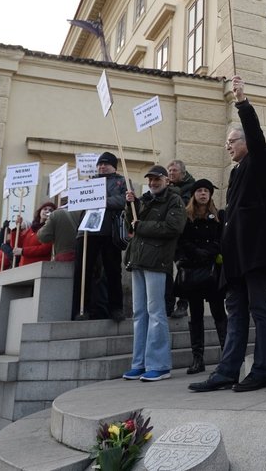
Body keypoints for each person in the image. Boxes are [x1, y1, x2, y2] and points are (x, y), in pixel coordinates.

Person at [189, 76, 266, 393]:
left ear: (246, 143)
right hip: (235, 258)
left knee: (261, 311)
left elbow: (257, 135)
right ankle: (227, 371)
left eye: (232, 141)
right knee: (236, 316)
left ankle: (261, 370)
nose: (228, 146)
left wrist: (242, 101)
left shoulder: (260, 160)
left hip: (256, 253)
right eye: (227, 142)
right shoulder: (235, 172)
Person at [121, 165, 187, 382]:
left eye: (157, 179)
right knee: (140, 313)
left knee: (156, 312)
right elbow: (131, 226)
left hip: (157, 262)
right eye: (150, 179)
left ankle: (159, 365)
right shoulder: (143, 200)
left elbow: (173, 227)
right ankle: (139, 363)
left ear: (167, 180)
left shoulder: (174, 201)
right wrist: (129, 204)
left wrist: (140, 225)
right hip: (139, 260)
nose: (152, 183)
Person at [176, 178, 228, 374]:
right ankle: (198, 359)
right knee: (195, 315)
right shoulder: (186, 217)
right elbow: (182, 241)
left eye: (206, 191)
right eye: (199, 191)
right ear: (194, 194)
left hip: (213, 271)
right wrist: (196, 253)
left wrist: (210, 251)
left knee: (218, 313)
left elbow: (222, 238)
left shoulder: (218, 216)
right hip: (192, 271)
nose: (203, 194)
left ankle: (227, 355)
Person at [93, 151, 130, 320]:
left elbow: (125, 201)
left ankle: (116, 308)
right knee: (92, 273)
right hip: (90, 232)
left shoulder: (122, 181)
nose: (102, 167)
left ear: (113, 166)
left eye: (105, 164)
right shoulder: (90, 182)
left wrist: (101, 201)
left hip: (111, 233)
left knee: (113, 271)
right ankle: (92, 308)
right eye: (99, 164)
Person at [166, 160, 195, 319]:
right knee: (166, 271)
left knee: (183, 269)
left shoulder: (191, 187)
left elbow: (183, 206)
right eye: (169, 170)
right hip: (169, 234)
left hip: (185, 234)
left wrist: (172, 191)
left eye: (174, 170)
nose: (170, 173)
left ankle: (183, 304)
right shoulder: (166, 187)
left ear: (183, 173)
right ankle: (168, 305)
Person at [14, 202, 57, 267]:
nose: (47, 211)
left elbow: (45, 249)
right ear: (40, 211)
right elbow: (17, 245)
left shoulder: (50, 229)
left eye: (50, 210)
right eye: (45, 209)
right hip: (23, 266)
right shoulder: (31, 229)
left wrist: (23, 251)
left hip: (38, 267)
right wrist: (17, 229)